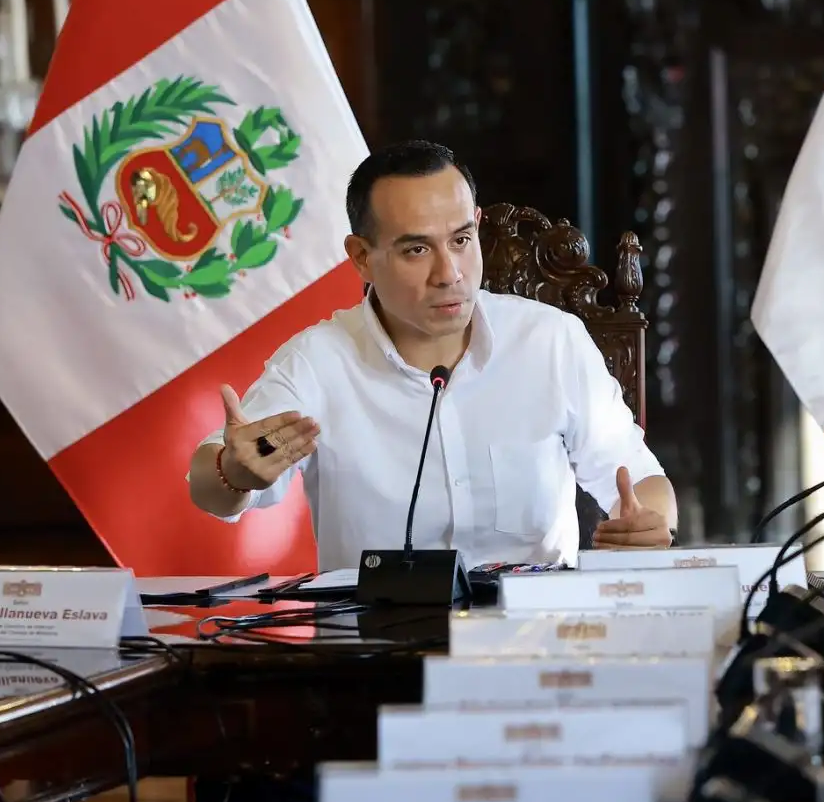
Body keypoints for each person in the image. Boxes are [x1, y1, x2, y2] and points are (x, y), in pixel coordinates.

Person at [186, 139, 678, 570]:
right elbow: (211, 483)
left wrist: (650, 526)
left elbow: (641, 479)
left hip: (533, 641)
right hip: (374, 650)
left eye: (462, 240)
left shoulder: (550, 341)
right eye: (416, 250)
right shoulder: (319, 361)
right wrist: (235, 472)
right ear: (361, 256)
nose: (450, 273)